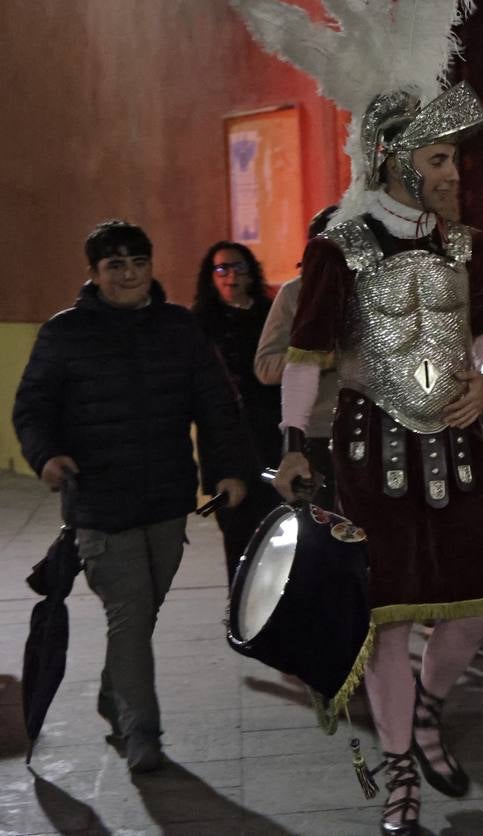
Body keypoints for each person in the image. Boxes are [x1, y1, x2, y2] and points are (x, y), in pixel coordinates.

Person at [232, 0, 483, 833]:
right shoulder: (339, 246)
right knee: (391, 609)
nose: (455, 173)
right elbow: (305, 352)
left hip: (461, 444)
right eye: (440, 160)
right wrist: (295, 446)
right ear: (397, 158)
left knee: (479, 604)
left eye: (455, 161)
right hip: (376, 448)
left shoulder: (464, 245)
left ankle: (427, 707)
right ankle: (400, 763)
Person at [13, 220, 250, 773]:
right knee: (129, 613)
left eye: (137, 263)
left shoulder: (179, 329)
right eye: (114, 265)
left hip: (167, 499)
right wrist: (46, 455)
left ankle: (115, 696)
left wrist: (229, 471)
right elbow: (32, 407)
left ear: (151, 266)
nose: (128, 275)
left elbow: (216, 405)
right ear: (94, 274)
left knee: (142, 613)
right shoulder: (64, 334)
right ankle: (142, 732)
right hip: (98, 502)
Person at [192, 240, 282, 579]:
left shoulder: (270, 316)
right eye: (222, 268)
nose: (231, 276)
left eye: (238, 267)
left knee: (278, 537)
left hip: (273, 440)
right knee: (239, 544)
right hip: (225, 449)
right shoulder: (199, 325)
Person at [254, 206, 340, 509]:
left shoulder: (377, 292)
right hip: (317, 435)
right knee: (323, 531)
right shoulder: (296, 294)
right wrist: (323, 358)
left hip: (374, 430)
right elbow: (265, 366)